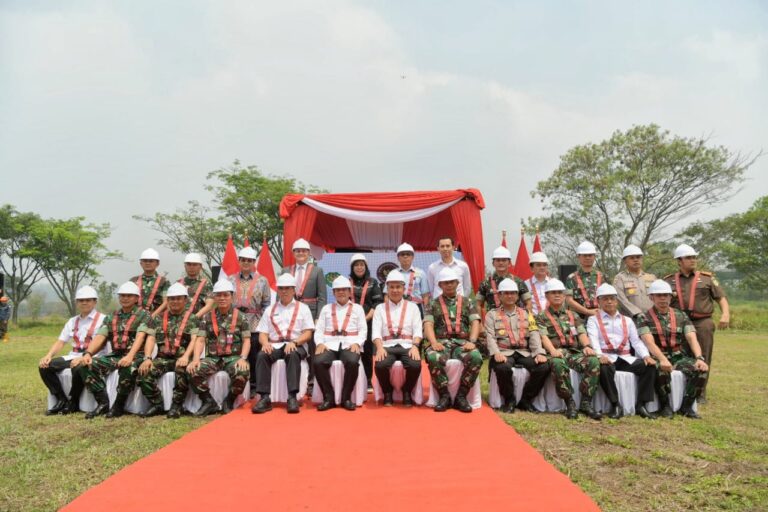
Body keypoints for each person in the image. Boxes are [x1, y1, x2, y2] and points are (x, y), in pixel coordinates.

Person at [664, 244, 729, 402]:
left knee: (703, 356)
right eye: (688, 258)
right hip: (679, 322)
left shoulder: (707, 278)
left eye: (694, 257)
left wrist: (725, 314)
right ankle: (681, 389)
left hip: (702, 322)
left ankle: (699, 393)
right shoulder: (669, 280)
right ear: (679, 261)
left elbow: (721, 298)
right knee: (679, 355)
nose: (693, 260)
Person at [79, 282, 151, 419]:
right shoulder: (112, 316)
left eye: (129, 296)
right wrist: (88, 353)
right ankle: (103, 403)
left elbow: (140, 338)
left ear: (137, 298)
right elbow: (101, 336)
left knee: (127, 367)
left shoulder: (144, 315)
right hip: (116, 355)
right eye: (122, 296)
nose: (125, 298)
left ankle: (118, 405)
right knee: (86, 364)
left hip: (136, 356)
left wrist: (130, 356)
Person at [638, 280, 709, 419]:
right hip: (658, 356)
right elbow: (648, 342)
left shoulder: (681, 315)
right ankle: (665, 406)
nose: (663, 298)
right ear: (651, 297)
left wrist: (699, 358)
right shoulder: (643, 317)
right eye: (658, 295)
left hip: (678, 356)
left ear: (671, 297)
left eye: (666, 295)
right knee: (659, 368)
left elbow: (691, 338)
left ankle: (687, 407)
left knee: (701, 370)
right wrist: (663, 359)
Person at [586, 284, 658, 420]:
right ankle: (615, 404)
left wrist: (646, 356)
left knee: (650, 367)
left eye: (612, 298)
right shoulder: (593, 320)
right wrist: (599, 355)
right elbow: (593, 339)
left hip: (625, 358)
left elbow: (636, 341)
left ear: (617, 301)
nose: (609, 302)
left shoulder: (627, 320)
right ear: (598, 301)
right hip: (606, 357)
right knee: (604, 368)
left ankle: (641, 405)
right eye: (605, 299)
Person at [536, 279, 601, 420]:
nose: (557, 295)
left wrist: (587, 347)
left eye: (560, 292)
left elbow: (582, 332)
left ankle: (586, 402)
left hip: (573, 352)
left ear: (565, 296)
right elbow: (543, 337)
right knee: (557, 363)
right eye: (553, 293)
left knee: (593, 361)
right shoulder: (541, 317)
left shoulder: (573, 315)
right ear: (547, 296)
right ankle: (569, 403)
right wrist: (553, 351)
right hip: (556, 352)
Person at [252, 273, 315, 414]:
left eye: (288, 288)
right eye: (281, 288)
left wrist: (295, 342)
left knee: (292, 354)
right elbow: (262, 333)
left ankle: (292, 397)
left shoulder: (303, 308)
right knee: (262, 355)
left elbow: (308, 333)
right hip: (274, 345)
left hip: (296, 345)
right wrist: (265, 343)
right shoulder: (269, 310)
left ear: (294, 290)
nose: (284, 291)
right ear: (278, 291)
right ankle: (264, 398)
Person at [483, 279, 549, 413]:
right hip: (504, 351)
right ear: (500, 295)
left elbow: (534, 333)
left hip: (524, 352)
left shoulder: (527, 314)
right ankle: (509, 400)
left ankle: (526, 400)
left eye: (513, 293)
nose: (510, 296)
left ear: (517, 295)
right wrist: (496, 353)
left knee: (544, 366)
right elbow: (490, 336)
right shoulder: (491, 314)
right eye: (506, 293)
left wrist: (539, 353)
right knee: (502, 368)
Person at [38, 286, 106, 415]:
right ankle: (61, 400)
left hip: (94, 356)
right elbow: (61, 341)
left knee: (79, 367)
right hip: (74, 354)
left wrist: (84, 357)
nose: (84, 303)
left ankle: (73, 401)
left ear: (95, 301)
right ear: (77, 302)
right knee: (45, 366)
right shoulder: (72, 321)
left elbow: (102, 343)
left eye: (88, 300)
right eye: (81, 300)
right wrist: (48, 355)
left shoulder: (103, 319)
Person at [187, 280, 251, 416]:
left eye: (226, 295)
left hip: (232, 358)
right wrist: (196, 358)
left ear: (232, 297)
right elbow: (200, 340)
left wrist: (243, 358)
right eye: (219, 295)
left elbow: (246, 341)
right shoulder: (206, 317)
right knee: (193, 370)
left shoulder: (241, 317)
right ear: (214, 297)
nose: (222, 298)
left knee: (243, 372)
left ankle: (229, 401)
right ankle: (208, 402)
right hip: (213, 358)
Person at [137, 283, 200, 418]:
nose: (175, 301)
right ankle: (157, 404)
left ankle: (177, 406)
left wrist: (186, 357)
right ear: (167, 301)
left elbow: (195, 340)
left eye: (178, 298)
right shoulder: (158, 318)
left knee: (182, 369)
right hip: (163, 358)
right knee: (144, 371)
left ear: (185, 300)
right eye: (172, 298)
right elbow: (151, 339)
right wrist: (147, 358)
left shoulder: (193, 318)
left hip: (183, 357)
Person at [423, 268, 482, 413]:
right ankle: (444, 396)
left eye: (452, 282)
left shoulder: (468, 302)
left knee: (476, 357)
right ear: (440, 285)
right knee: (432, 356)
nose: (449, 285)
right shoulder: (432, 303)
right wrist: (433, 342)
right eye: (445, 283)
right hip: (441, 343)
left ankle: (461, 396)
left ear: (457, 283)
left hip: (463, 344)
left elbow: (475, 322)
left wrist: (472, 341)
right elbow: (428, 324)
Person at [313, 276, 367, 411]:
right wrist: (319, 343)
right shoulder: (326, 308)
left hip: (350, 343)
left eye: (344, 290)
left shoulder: (358, 309)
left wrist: (358, 343)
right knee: (318, 362)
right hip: (329, 344)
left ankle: (346, 398)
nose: (341, 292)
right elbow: (319, 330)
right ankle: (328, 397)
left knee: (353, 362)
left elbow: (363, 330)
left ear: (349, 292)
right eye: (338, 290)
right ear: (333, 293)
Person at [372, 270, 423, 407]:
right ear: (387, 289)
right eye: (391, 287)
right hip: (387, 345)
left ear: (404, 288)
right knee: (380, 365)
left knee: (415, 365)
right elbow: (375, 332)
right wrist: (379, 348)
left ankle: (407, 391)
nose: (395, 290)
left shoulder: (413, 307)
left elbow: (418, 329)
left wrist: (415, 346)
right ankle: (387, 392)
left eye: (398, 287)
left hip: (407, 344)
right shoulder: (379, 308)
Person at [282, 238, 326, 395]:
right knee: (293, 344)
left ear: (309, 253)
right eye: (298, 250)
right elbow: (281, 295)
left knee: (312, 348)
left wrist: (318, 317)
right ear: (293, 253)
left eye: (304, 250)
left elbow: (322, 297)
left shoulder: (317, 270)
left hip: (311, 312)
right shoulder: (285, 270)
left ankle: (312, 381)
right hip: (291, 313)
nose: (301, 253)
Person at [229, 246, 271, 396]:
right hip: (235, 322)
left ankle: (254, 386)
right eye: (243, 260)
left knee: (254, 355)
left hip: (255, 322)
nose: (246, 263)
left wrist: (264, 324)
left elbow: (266, 304)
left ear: (254, 262)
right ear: (239, 261)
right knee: (237, 353)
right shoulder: (230, 279)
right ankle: (237, 384)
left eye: (249, 260)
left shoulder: (263, 281)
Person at [348, 253, 383, 389]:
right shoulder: (347, 281)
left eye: (361, 265)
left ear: (366, 266)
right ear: (352, 267)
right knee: (352, 350)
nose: (359, 267)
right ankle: (353, 379)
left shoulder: (373, 282)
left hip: (368, 322)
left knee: (367, 352)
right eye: (356, 265)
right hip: (350, 323)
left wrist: (365, 318)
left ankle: (368, 381)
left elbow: (377, 303)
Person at [477, 246, 531, 312]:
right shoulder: (485, 283)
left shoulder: (518, 282)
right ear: (493, 263)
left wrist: (526, 320)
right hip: (493, 320)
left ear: (509, 263)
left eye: (504, 260)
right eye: (498, 260)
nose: (501, 263)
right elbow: (478, 305)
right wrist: (480, 322)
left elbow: (528, 303)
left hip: (515, 320)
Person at [613, 245, 656, 321]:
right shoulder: (620, 278)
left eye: (638, 257)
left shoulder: (652, 278)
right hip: (631, 319)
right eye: (632, 258)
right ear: (625, 261)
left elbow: (658, 298)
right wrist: (637, 313)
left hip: (652, 318)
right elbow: (621, 299)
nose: (636, 260)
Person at [565, 241, 605, 320]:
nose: (587, 258)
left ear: (594, 257)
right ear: (578, 257)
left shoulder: (602, 277)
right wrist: (587, 311)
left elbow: (608, 298)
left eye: (590, 255)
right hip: (578, 319)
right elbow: (569, 300)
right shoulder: (571, 278)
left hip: (600, 317)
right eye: (584, 255)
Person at [391, 243, 430, 316]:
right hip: (397, 308)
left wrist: (427, 314)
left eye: (408, 254)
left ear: (413, 257)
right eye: (402, 254)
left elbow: (425, 295)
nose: (405, 256)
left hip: (416, 307)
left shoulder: (421, 273)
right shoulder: (392, 273)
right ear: (398, 257)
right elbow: (387, 295)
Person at [130, 248, 169, 317]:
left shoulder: (164, 281)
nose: (148, 263)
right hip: (135, 318)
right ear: (141, 263)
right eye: (145, 261)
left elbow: (166, 302)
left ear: (157, 263)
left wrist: (152, 316)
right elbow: (128, 301)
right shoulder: (133, 281)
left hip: (156, 319)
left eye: (151, 261)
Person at [178, 253, 214, 318]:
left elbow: (209, 304)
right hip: (179, 320)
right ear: (185, 266)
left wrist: (195, 318)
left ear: (200, 266)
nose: (191, 267)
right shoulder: (178, 284)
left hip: (198, 321)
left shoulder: (206, 284)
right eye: (189, 264)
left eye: (194, 265)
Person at [525, 251, 551, 316]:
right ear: (531, 268)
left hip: (552, 321)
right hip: (533, 321)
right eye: (538, 265)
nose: (542, 267)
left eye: (544, 265)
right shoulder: (525, 284)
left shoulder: (554, 283)